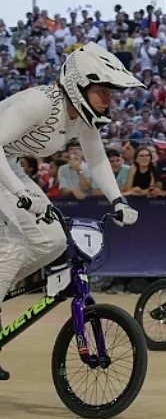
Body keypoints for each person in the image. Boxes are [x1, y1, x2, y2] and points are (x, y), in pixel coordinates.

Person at [0, 43, 143, 380]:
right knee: (15, 243)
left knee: (52, 240)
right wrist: (21, 193)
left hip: (9, 164)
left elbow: (97, 159)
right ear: (78, 84)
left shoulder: (82, 118)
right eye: (102, 91)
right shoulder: (39, 103)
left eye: (110, 93)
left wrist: (118, 201)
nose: (108, 99)